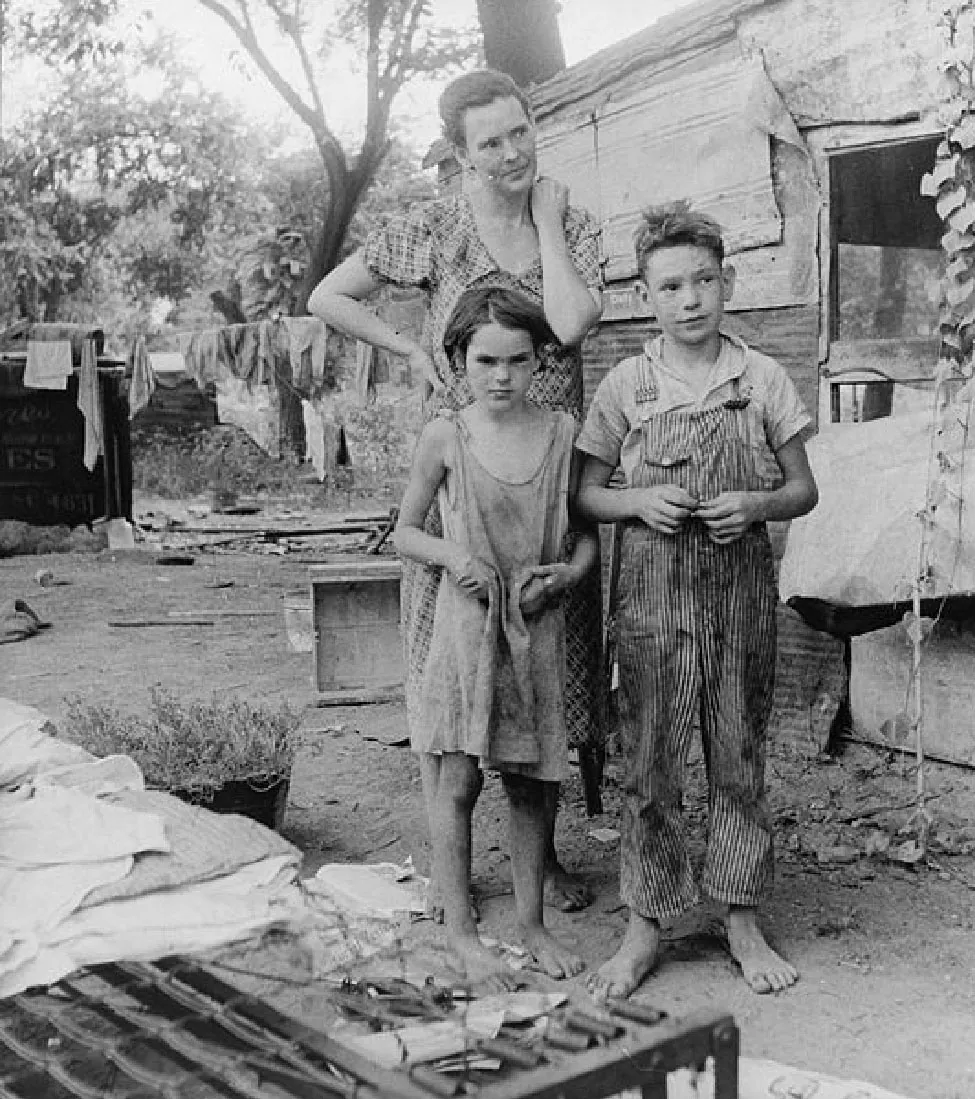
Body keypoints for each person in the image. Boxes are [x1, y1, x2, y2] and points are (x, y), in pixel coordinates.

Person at [308, 68, 604, 916]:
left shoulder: (571, 223)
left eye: (520, 131)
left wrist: (541, 219)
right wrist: (405, 346)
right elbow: (327, 294)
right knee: (456, 660)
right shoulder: (435, 228)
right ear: (459, 154)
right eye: (490, 143)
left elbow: (574, 324)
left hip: (549, 475)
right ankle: (454, 866)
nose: (512, 153)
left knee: (550, 660)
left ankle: (538, 865)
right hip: (463, 473)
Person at [575, 201, 819, 998]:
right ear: (646, 295)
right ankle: (645, 926)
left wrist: (754, 504)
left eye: (704, 280)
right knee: (649, 763)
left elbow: (802, 489)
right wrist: (637, 503)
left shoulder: (763, 379)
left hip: (740, 596)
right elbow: (586, 495)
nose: (690, 299)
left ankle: (740, 915)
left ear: (728, 282)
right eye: (671, 285)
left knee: (738, 754)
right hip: (649, 601)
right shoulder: (626, 385)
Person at [392, 284, 596, 986]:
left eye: (516, 359)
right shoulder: (447, 435)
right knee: (459, 776)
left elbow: (588, 538)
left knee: (533, 784)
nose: (501, 375)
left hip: (536, 626)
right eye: (485, 360)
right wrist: (454, 556)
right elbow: (406, 531)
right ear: (457, 360)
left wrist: (565, 576)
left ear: (540, 359)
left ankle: (532, 924)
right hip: (466, 628)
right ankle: (460, 931)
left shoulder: (563, 431)